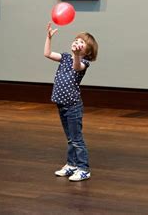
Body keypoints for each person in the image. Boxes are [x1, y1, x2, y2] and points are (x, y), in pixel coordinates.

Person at [44, 22, 98, 182]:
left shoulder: (83, 63)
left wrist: (75, 54)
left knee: (76, 138)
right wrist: (48, 38)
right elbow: (47, 54)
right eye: (77, 40)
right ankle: (71, 164)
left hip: (73, 106)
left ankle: (83, 168)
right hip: (62, 105)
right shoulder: (65, 57)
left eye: (82, 43)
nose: (77, 43)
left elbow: (76, 67)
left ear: (88, 52)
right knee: (70, 138)